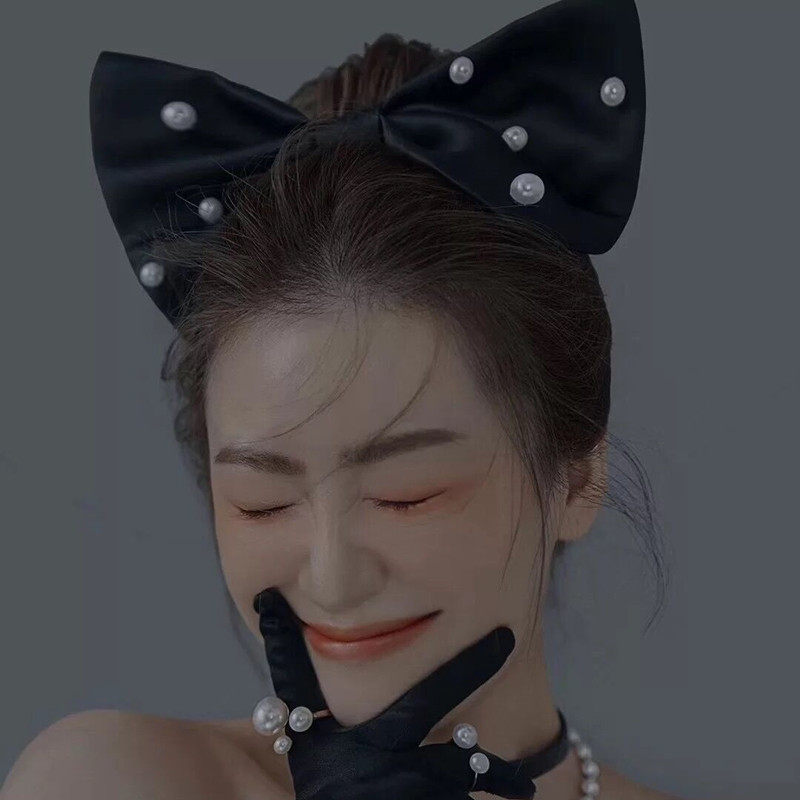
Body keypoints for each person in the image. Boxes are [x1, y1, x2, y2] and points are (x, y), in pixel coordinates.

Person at [2, 1, 688, 798]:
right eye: (262, 502)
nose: (333, 579)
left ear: (576, 476)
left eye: (406, 494)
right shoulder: (110, 779)